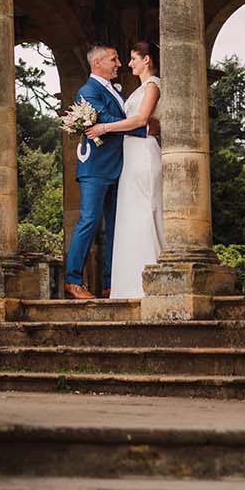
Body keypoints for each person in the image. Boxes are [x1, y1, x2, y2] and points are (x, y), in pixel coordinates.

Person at [64, 43, 130, 300]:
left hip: (118, 166)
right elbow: (104, 119)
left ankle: (111, 283)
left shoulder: (114, 90)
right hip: (95, 168)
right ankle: (73, 280)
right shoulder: (88, 90)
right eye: (114, 59)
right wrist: (140, 125)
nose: (119, 64)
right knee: (89, 220)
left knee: (115, 225)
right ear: (98, 63)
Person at [106, 41, 164, 299]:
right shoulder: (139, 89)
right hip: (130, 154)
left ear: (147, 60)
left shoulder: (153, 85)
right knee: (130, 214)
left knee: (144, 211)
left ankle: (150, 282)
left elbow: (142, 120)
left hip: (143, 153)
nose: (129, 64)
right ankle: (128, 283)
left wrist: (105, 128)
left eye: (133, 58)